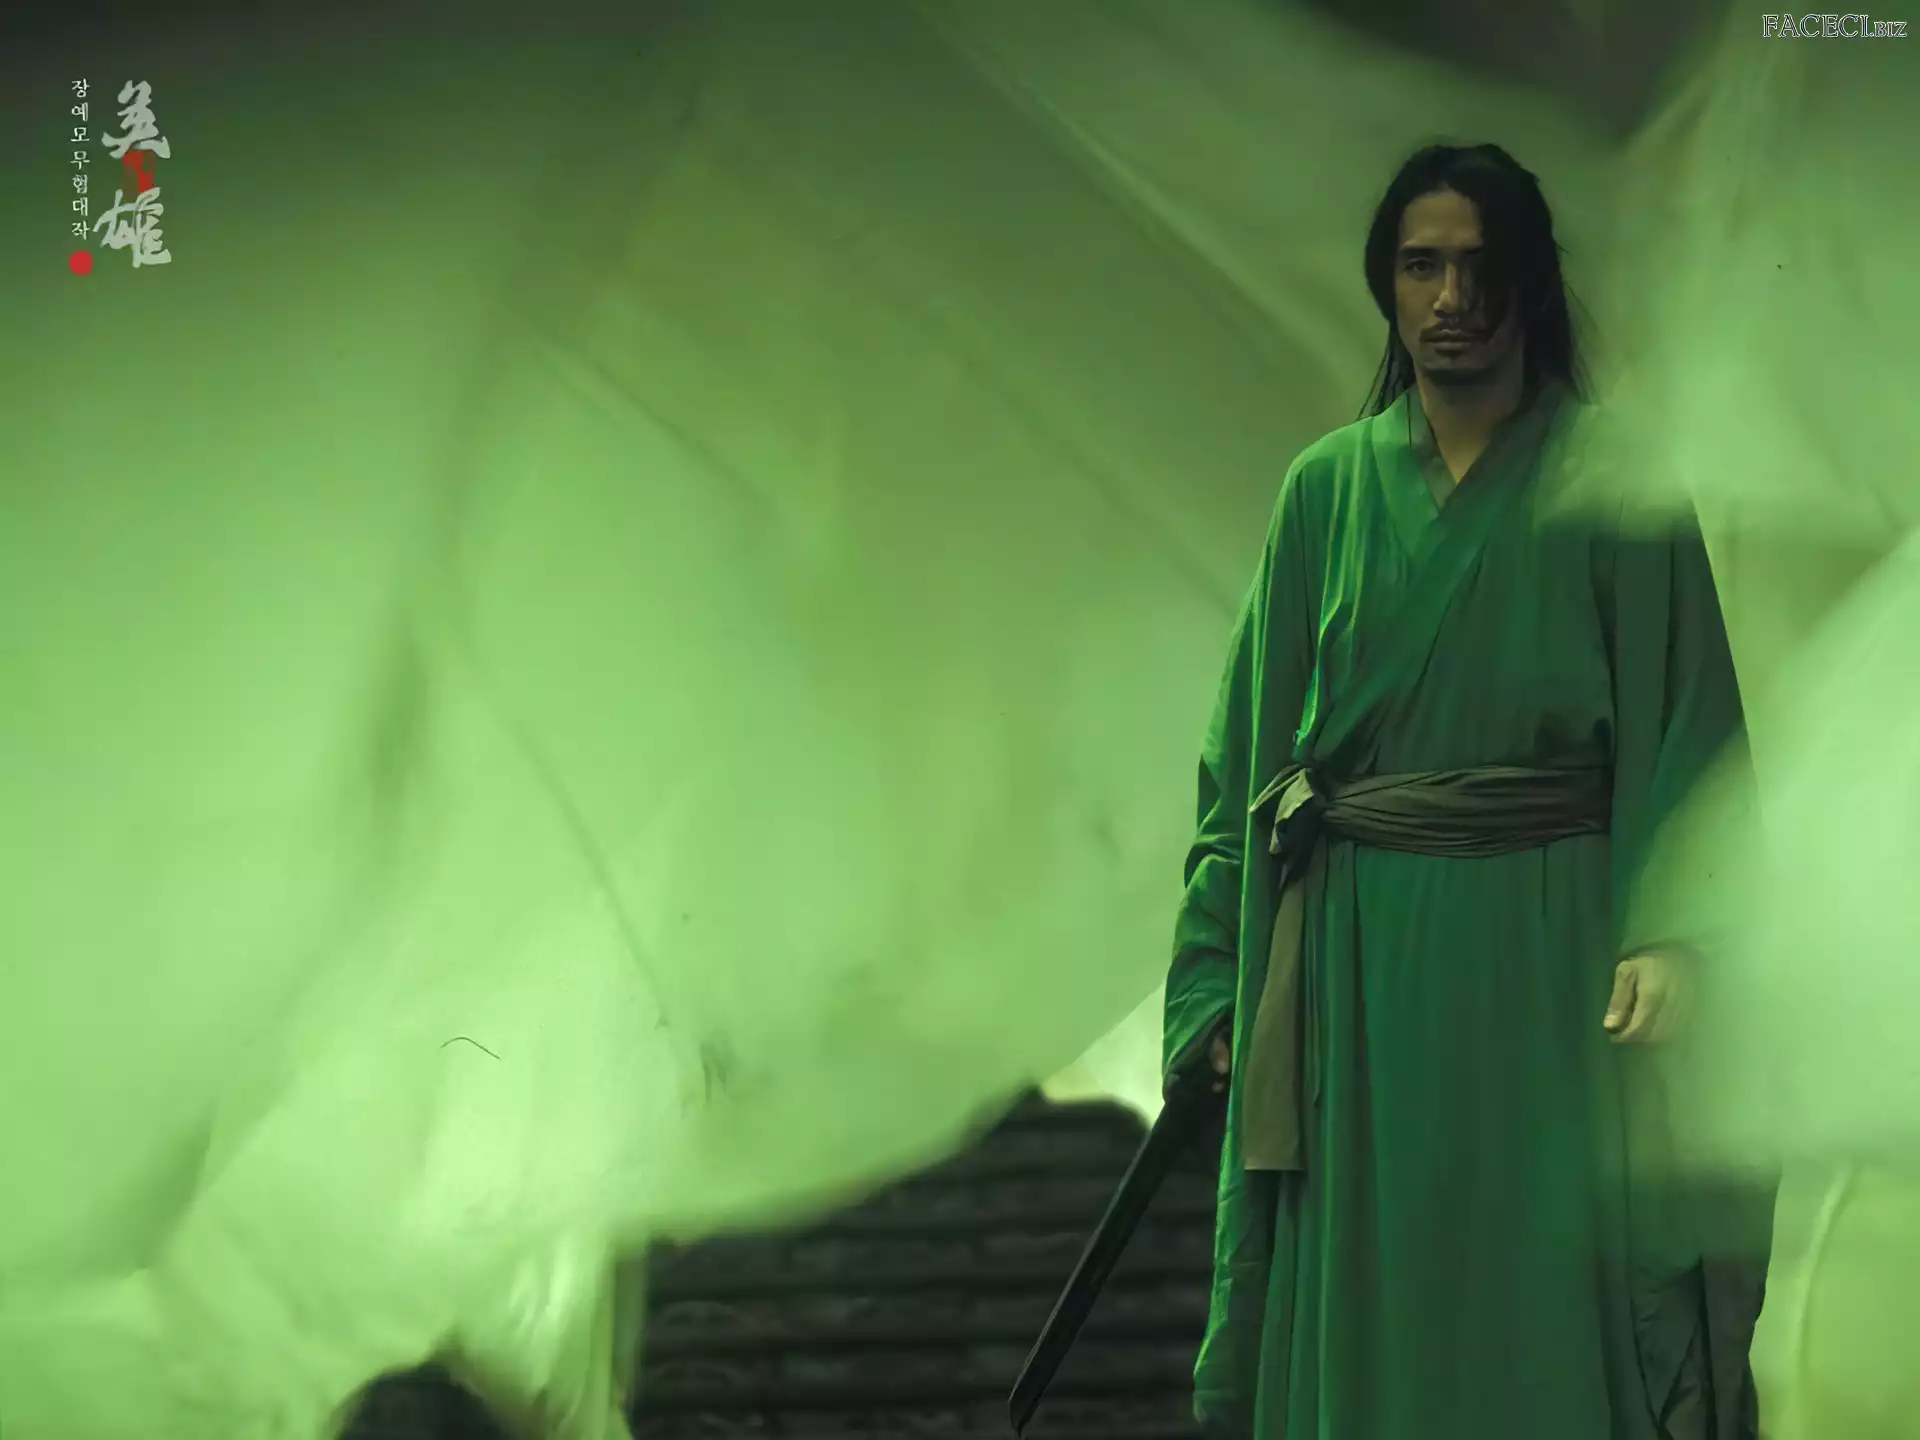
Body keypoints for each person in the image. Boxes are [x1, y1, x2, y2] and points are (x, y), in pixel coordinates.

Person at [1161, 143, 1765, 1439]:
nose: (1454, 298)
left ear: (1531, 283)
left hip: (1554, 958)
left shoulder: (1619, 482)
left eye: (1483, 267)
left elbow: (1695, 728)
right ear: (1385, 284)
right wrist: (1215, 975)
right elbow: (1245, 764)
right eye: (1422, 265)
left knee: (1547, 1284)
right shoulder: (1323, 491)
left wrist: (1677, 931)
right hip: (1361, 971)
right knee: (1383, 1289)